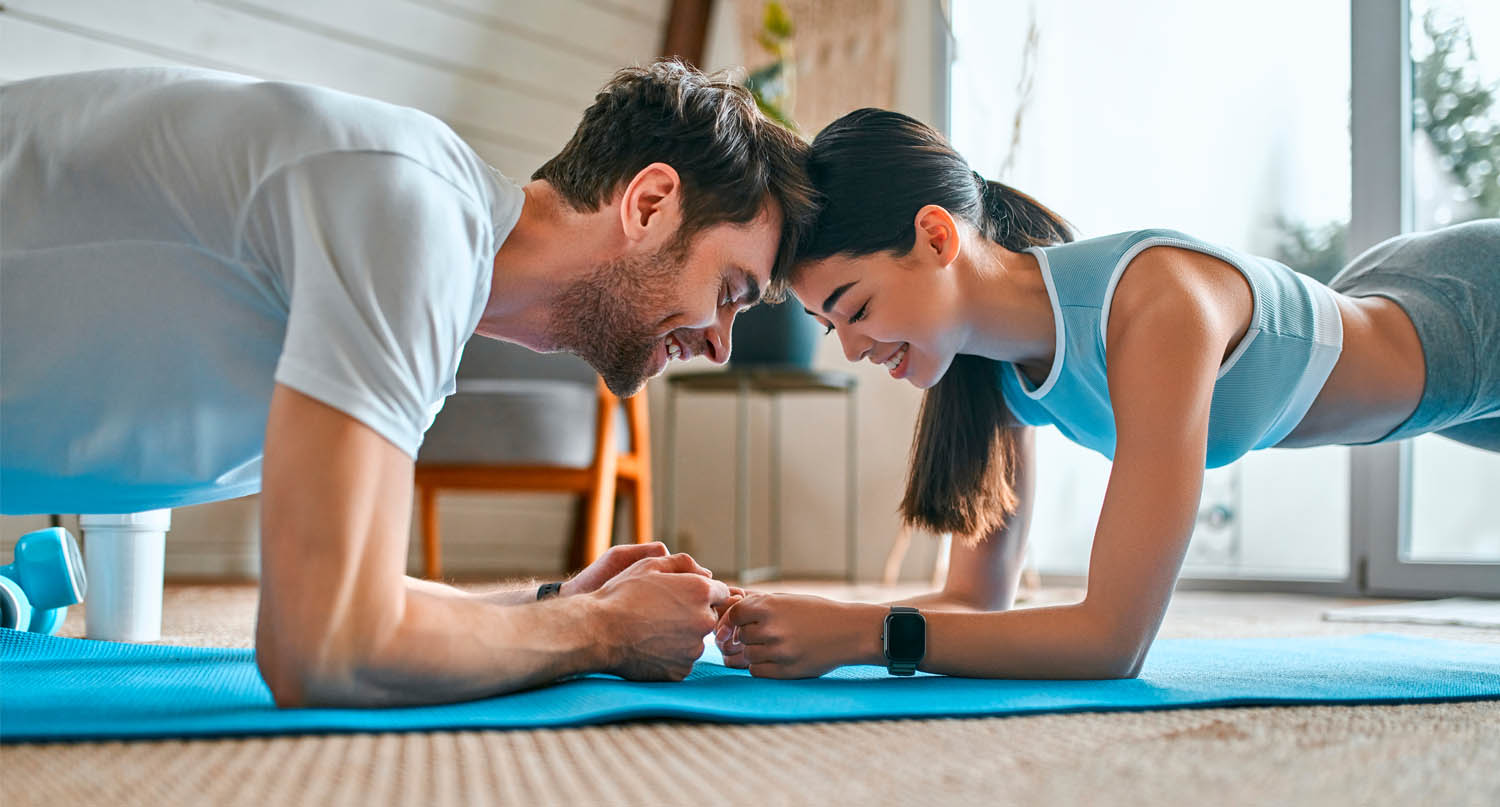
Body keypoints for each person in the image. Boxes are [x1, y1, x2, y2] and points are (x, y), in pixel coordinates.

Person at [0, 60, 816, 706]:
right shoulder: (412, 207)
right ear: (649, 203)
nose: (719, 342)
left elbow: (343, 582)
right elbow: (321, 644)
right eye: (731, 292)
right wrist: (598, 630)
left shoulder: (433, 262)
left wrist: (553, 597)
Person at [713, 107, 1499, 680]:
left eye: (855, 307)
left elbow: (1111, 640)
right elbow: (974, 599)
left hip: (1469, 314)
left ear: (937, 237)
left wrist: (863, 635)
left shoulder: (1155, 304)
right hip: (1404, 317)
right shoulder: (989, 369)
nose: (852, 347)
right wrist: (789, 614)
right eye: (828, 325)